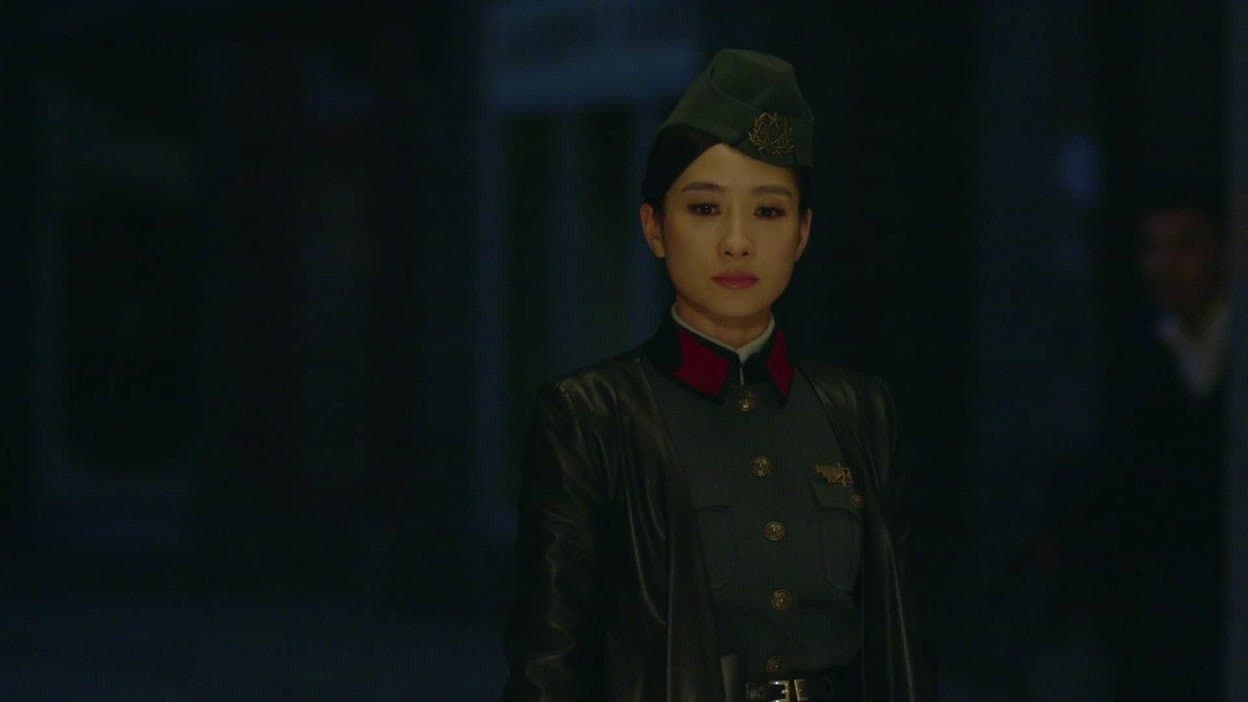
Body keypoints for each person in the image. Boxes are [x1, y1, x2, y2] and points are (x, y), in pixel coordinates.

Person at [502, 49, 936, 702]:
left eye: (769, 211)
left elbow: (902, 642)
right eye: (705, 209)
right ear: (654, 227)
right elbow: (548, 664)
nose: (737, 242)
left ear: (803, 233)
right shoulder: (592, 415)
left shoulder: (859, 413)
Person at [1099, 186, 1229, 700]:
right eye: (1155, 248)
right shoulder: (1137, 360)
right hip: (1160, 621)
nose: (1166, 266)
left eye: (1185, 246)